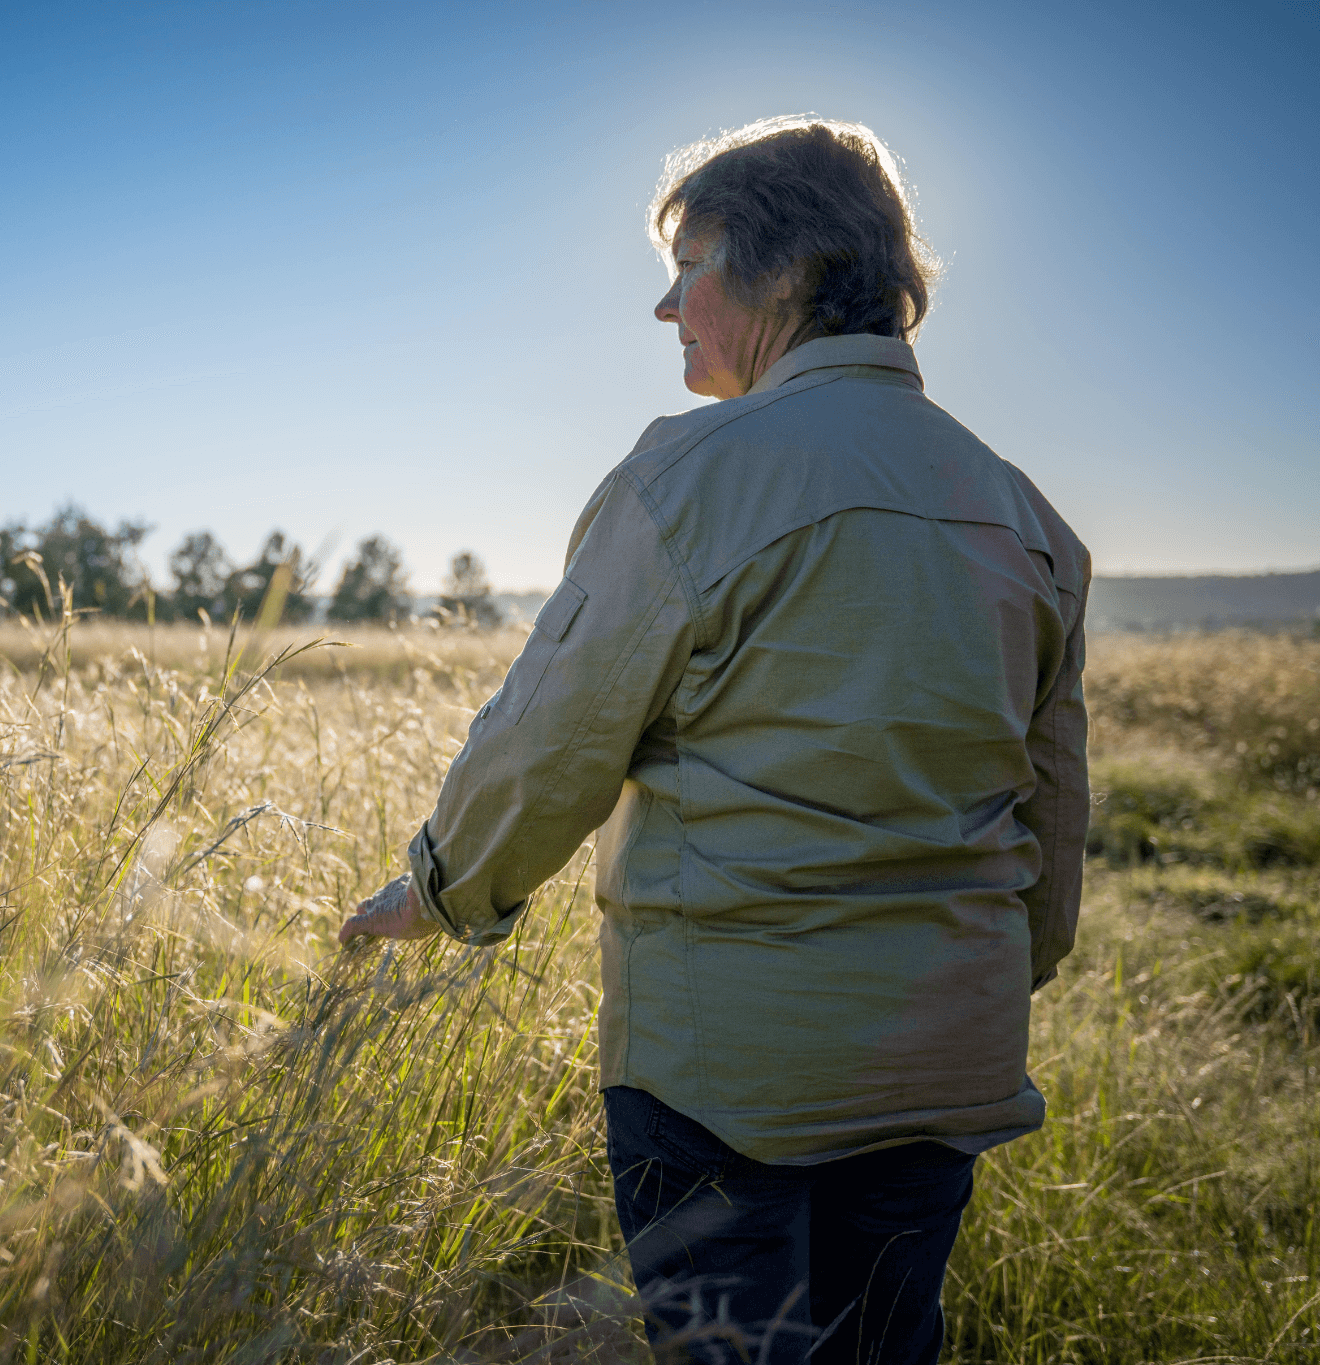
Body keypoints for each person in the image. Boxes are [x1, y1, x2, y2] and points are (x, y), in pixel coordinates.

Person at [338, 116, 1089, 1365]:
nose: (662, 305)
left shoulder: (688, 478)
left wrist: (435, 891)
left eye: (687, 265)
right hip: (944, 1063)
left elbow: (548, 746)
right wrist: (984, 983)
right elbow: (1050, 820)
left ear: (786, 270)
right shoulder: (1023, 512)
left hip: (727, 1080)